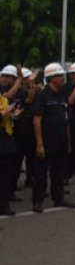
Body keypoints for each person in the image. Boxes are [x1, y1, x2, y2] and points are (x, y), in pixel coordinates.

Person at [32, 63, 75, 213]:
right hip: (47, 138)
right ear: (51, 78)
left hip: (61, 138)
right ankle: (37, 200)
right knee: (41, 171)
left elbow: (66, 119)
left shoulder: (62, 95)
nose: (62, 79)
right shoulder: (43, 96)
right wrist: (39, 143)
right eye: (59, 76)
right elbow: (37, 119)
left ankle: (59, 198)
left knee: (59, 171)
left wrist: (68, 141)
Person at [0, 84, 20, 216]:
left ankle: (4, 204)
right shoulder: (5, 104)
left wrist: (14, 115)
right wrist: (8, 110)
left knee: (5, 176)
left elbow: (7, 119)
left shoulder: (3, 100)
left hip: (5, 139)